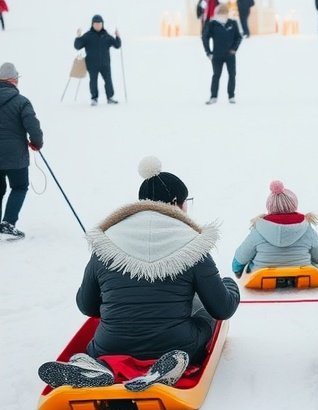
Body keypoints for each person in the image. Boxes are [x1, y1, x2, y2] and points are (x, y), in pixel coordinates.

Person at [38, 156, 240, 390]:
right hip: (178, 343)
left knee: (102, 336)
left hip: (108, 344)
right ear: (176, 202)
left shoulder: (107, 242)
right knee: (206, 314)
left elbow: (87, 307)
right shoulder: (191, 243)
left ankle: (94, 365)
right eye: (186, 201)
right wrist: (230, 284)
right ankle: (170, 364)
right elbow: (222, 308)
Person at [231, 180, 318, 276]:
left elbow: (241, 257)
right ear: (293, 204)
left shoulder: (259, 229)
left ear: (270, 206)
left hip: (261, 275)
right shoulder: (306, 228)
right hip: (301, 274)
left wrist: (237, 269)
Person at [0, 62, 43, 238]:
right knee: (19, 186)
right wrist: (36, 143)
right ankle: (8, 223)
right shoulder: (21, 102)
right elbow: (33, 126)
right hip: (15, 156)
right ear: (14, 80)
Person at [74, 14, 121, 106]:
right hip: (92, 64)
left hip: (105, 64)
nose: (98, 25)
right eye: (96, 24)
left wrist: (118, 37)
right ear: (92, 24)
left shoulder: (106, 36)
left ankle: (110, 97)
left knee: (108, 80)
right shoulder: (88, 36)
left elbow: (117, 45)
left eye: (99, 24)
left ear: (102, 24)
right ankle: (94, 98)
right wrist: (78, 36)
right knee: (93, 81)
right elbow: (77, 46)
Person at [202, 3, 242, 104]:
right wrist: (208, 52)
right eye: (221, 13)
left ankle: (231, 96)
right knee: (216, 75)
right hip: (217, 55)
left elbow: (239, 37)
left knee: (232, 74)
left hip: (230, 55)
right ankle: (213, 96)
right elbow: (205, 37)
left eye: (225, 13)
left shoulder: (232, 23)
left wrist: (234, 48)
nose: (223, 15)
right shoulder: (213, 24)